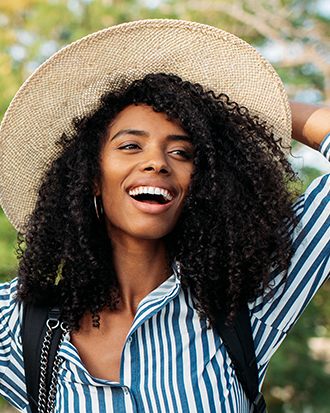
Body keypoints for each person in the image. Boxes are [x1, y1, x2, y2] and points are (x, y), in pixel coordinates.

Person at [0, 19, 329, 413]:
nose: (156, 161)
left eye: (181, 152)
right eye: (130, 146)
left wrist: (237, 110)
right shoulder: (22, 327)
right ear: (90, 176)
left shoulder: (245, 299)